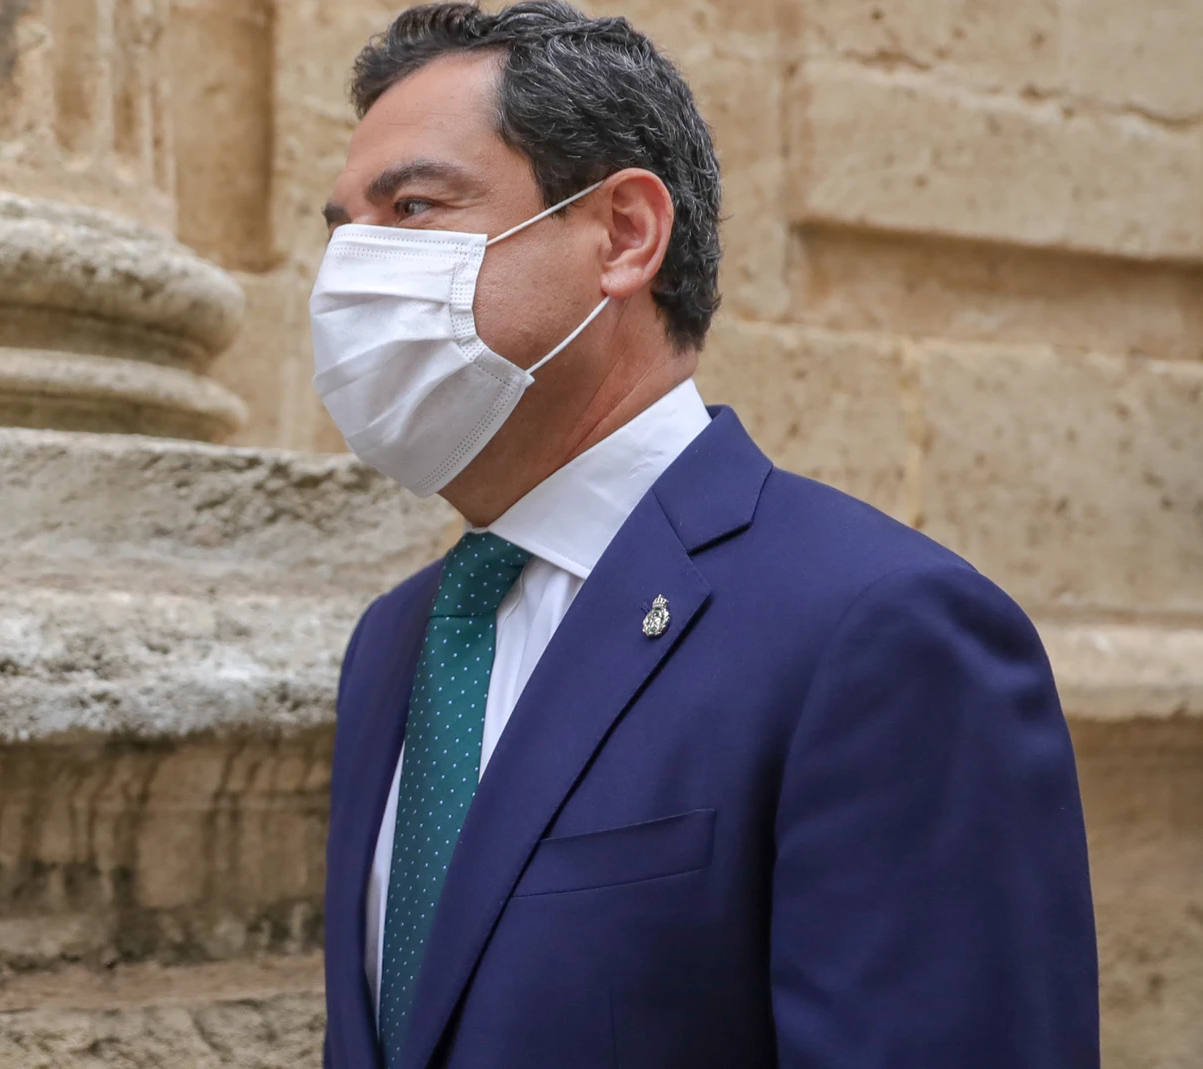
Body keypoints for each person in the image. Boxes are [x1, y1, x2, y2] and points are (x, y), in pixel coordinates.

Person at [311, 4, 1100, 1068]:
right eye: (342, 229)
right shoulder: (397, 640)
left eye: (412, 206)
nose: (353, 271)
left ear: (624, 235)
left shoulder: (877, 629)